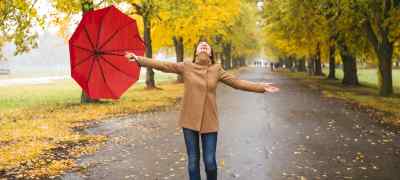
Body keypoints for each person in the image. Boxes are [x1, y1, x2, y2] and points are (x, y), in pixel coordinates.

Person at [125, 40, 279, 180]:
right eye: (200, 45)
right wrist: (139, 59)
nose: (204, 46)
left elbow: (237, 83)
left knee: (210, 162)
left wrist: (261, 87)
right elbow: (163, 65)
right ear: (196, 52)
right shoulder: (186, 66)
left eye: (206, 45)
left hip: (210, 121)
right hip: (189, 119)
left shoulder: (216, 69)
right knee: (193, 162)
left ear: (211, 52)